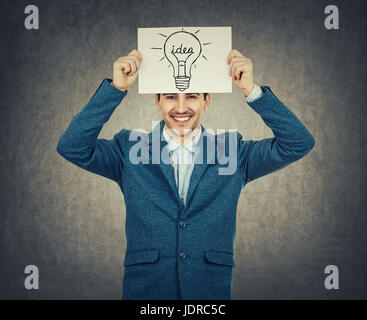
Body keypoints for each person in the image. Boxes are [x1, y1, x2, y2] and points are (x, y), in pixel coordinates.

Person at [56, 48, 315, 300]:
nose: (181, 107)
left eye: (191, 96)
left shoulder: (234, 152)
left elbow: (297, 143)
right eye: (170, 96)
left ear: (206, 100)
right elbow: (72, 147)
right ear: (156, 101)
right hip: (147, 292)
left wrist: (252, 91)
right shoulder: (129, 149)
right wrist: (115, 89)